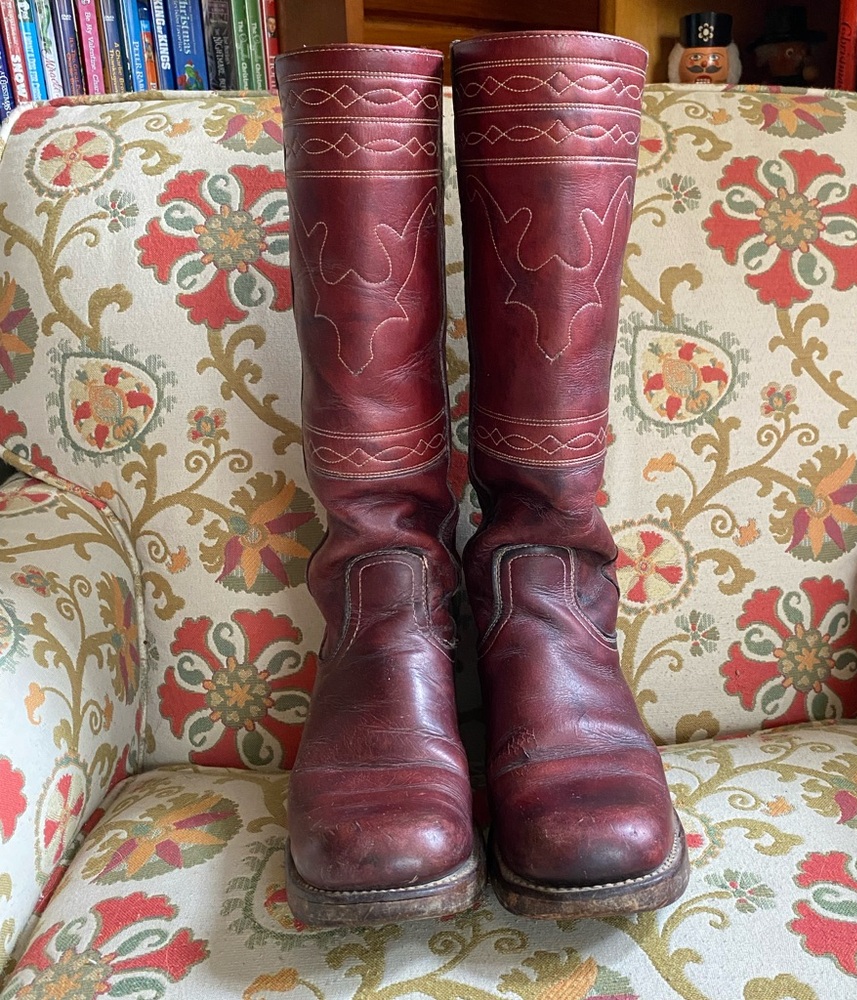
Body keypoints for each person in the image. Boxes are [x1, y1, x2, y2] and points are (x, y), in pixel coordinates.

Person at [274, 30, 691, 926]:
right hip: (381, 617)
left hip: (548, 581)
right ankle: (387, 603)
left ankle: (542, 603)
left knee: (551, 451)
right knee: (376, 505)